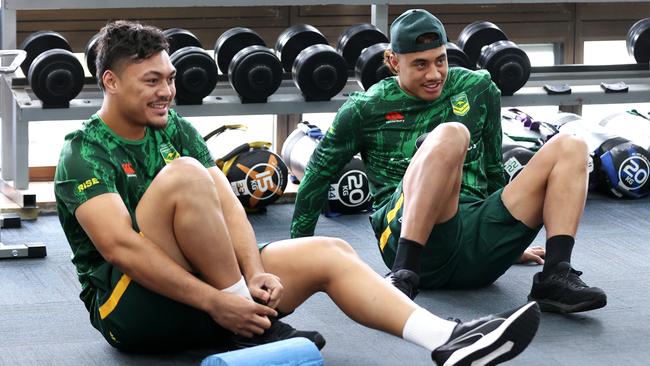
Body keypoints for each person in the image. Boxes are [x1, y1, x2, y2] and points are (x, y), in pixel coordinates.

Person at [54, 20, 540, 365]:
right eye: (152, 81)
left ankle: (447, 340)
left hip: (217, 292)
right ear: (110, 82)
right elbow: (122, 249)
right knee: (186, 174)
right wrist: (215, 301)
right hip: (133, 311)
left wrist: (254, 270)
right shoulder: (83, 151)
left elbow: (223, 198)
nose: (167, 91)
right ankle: (245, 323)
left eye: (171, 78)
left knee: (331, 251)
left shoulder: (172, 126)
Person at [291, 9, 607, 314]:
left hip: (476, 242)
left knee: (572, 144)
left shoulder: (477, 87)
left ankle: (555, 275)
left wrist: (506, 236)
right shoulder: (365, 108)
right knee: (452, 134)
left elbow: (494, 169)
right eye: (420, 65)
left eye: (440, 60)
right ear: (392, 61)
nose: (434, 74)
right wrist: (297, 252)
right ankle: (403, 275)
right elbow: (318, 174)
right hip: (413, 237)